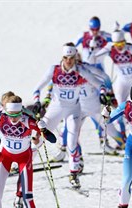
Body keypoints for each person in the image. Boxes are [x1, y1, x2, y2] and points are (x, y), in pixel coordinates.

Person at [33, 43, 104, 188]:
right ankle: (25, 162)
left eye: (71, 58)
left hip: (73, 109)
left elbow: (100, 84)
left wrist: (103, 94)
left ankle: (73, 173)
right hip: (56, 108)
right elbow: (37, 88)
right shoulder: (54, 70)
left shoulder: (81, 70)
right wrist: (37, 102)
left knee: (72, 141)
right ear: (62, 57)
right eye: (66, 58)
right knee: (40, 135)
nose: (69, 61)